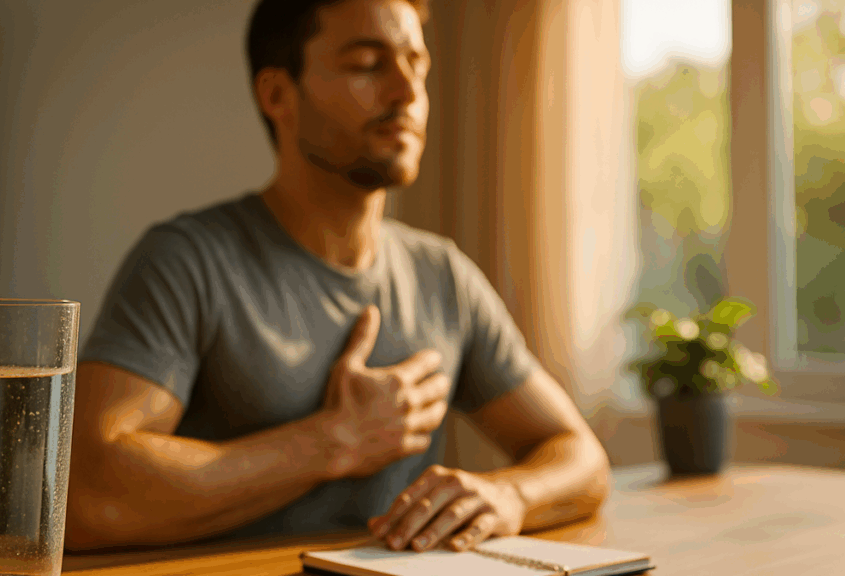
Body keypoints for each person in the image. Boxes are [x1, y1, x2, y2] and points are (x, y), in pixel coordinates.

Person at [63, 0, 611, 554]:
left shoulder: (443, 276)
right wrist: (332, 442)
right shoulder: (187, 261)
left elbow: (581, 457)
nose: (406, 93)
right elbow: (87, 486)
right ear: (277, 94)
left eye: (416, 65)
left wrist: (509, 495)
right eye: (367, 65)